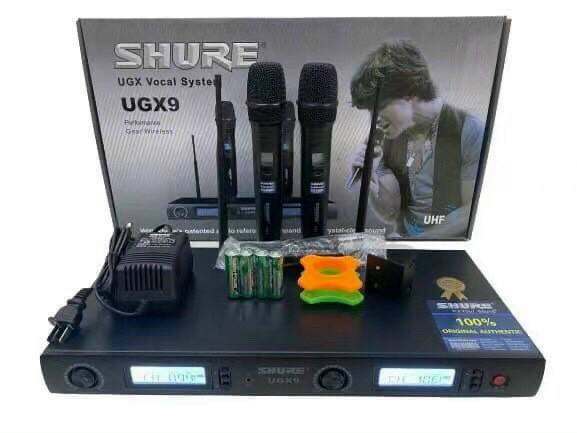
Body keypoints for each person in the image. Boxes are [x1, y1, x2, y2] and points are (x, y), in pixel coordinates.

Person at [349, 40, 485, 238]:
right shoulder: (388, 135)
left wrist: (417, 242)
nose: (374, 119)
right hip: (404, 241)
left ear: (410, 93)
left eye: (381, 106)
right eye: (371, 110)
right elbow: (391, 212)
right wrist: (370, 177)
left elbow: (470, 212)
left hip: (442, 247)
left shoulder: (470, 129)